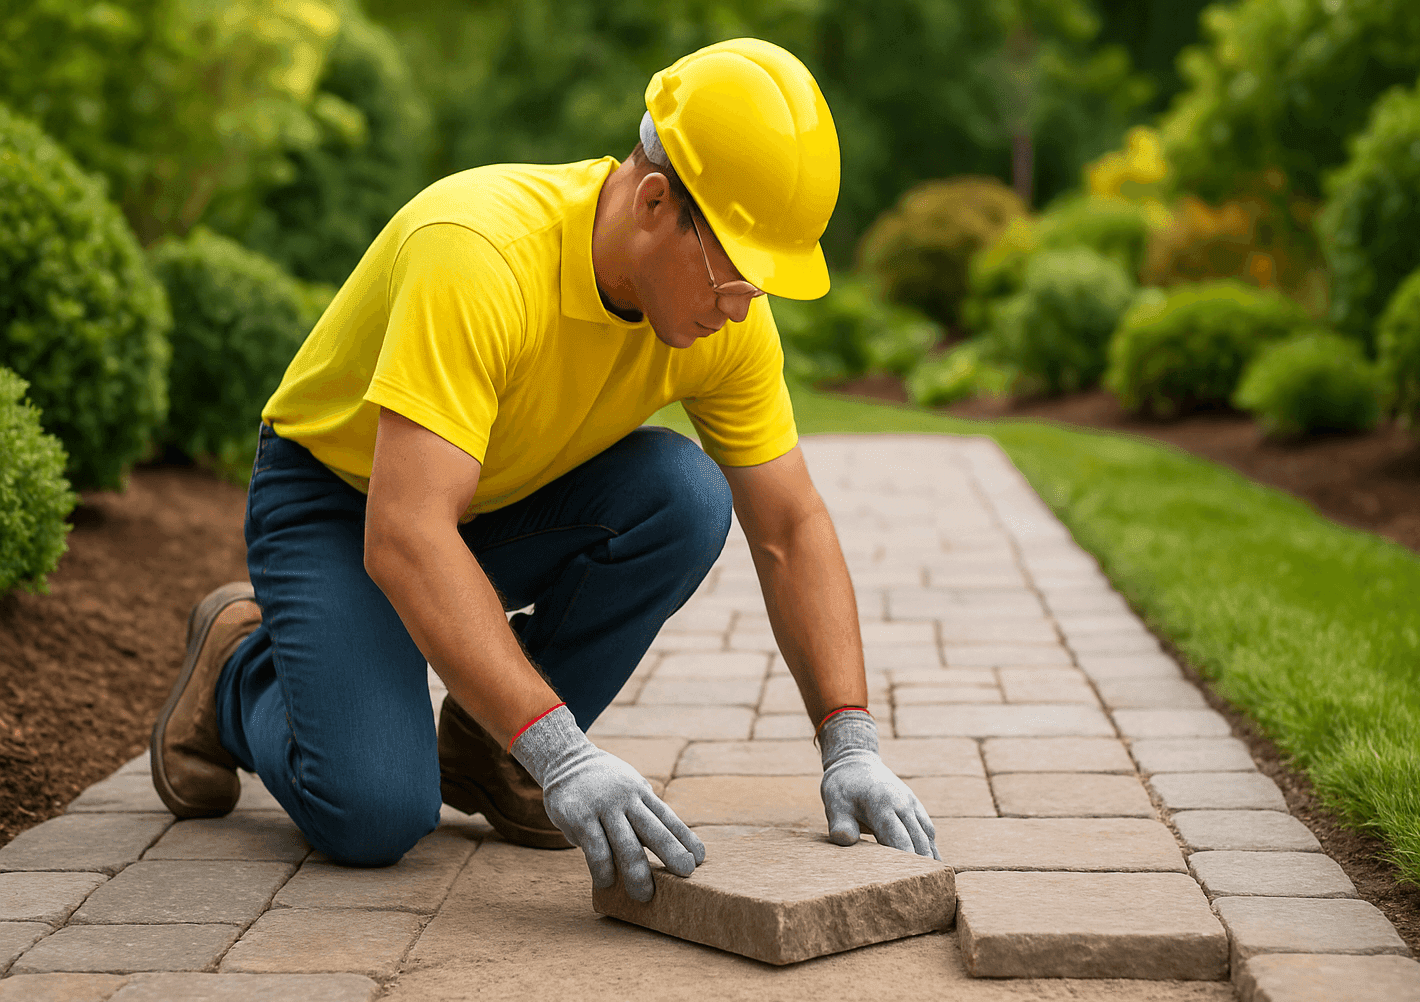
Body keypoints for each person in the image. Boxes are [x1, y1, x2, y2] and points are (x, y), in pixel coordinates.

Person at [149, 37, 939, 903]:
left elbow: (789, 526)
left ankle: (489, 753)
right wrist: (563, 752)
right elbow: (407, 534)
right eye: (738, 271)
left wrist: (850, 743)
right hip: (343, 501)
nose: (743, 304)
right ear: (653, 201)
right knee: (374, 815)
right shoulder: (478, 253)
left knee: (684, 495)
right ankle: (238, 667)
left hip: (495, 501)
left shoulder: (725, 321)